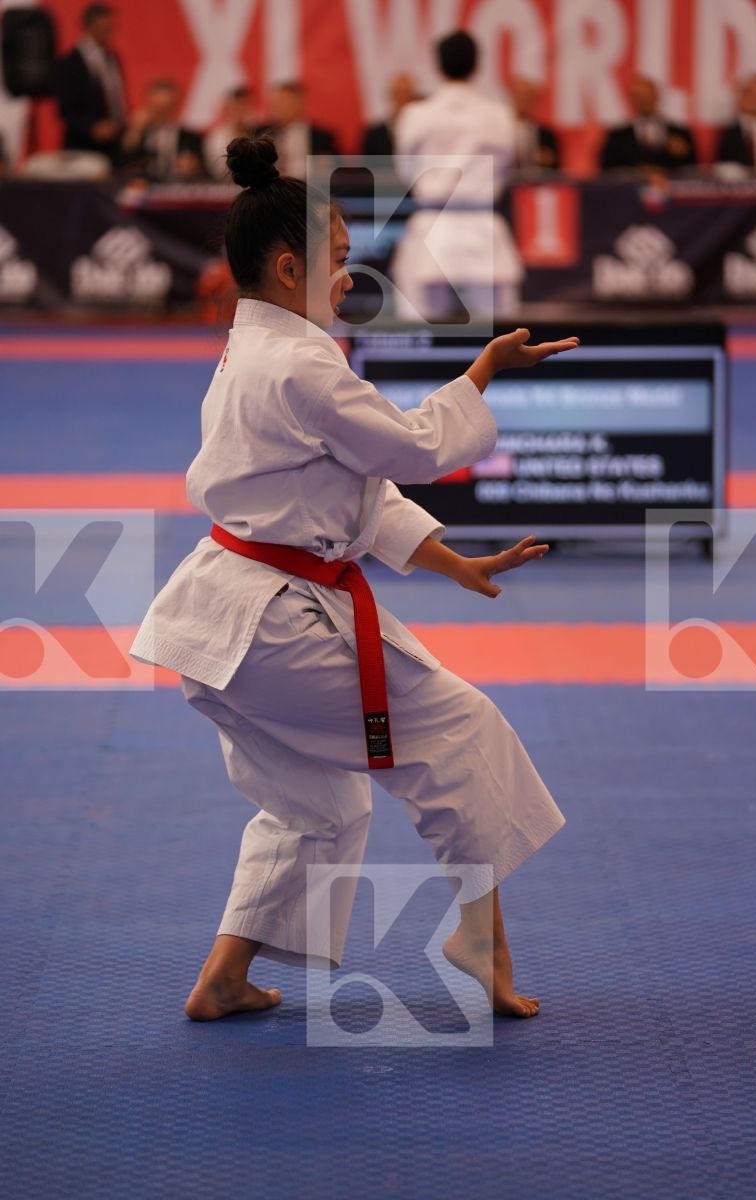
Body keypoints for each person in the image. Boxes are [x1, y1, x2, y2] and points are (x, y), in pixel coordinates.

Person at [129, 133, 577, 1022]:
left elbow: (335, 489)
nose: (346, 279)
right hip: (267, 622)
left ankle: (223, 977)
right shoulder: (299, 363)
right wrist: (481, 371)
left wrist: (449, 560)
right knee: (463, 731)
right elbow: (408, 449)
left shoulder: (251, 354)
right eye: (337, 262)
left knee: (319, 805)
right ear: (289, 266)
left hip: (223, 620)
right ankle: (481, 937)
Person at [392, 31, 522, 321]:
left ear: (437, 66)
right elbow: (508, 167)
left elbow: (405, 171)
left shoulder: (416, 114)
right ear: (477, 66)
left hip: (432, 224)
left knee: (417, 327)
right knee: (502, 329)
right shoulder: (499, 115)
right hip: (481, 224)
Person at [55, 3, 128, 167]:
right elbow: (65, 109)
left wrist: (121, 125)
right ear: (89, 26)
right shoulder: (69, 63)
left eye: (111, 27)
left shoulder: (112, 58)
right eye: (104, 27)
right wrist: (92, 127)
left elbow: (116, 99)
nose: (109, 32)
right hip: (82, 145)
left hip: (114, 144)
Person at [600, 74, 696, 173]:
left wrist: (683, 154)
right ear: (631, 99)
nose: (643, 100)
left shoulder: (679, 132)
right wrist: (638, 172)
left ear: (657, 96)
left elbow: (693, 168)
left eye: (647, 95)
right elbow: (607, 170)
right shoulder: (618, 136)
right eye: (638, 96)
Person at [123, 80, 206, 182]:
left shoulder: (192, 138)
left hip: (177, 190)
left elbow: (206, 172)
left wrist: (194, 167)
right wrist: (135, 131)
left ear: (176, 106)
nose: (161, 114)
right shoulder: (135, 135)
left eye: (166, 108)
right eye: (157, 108)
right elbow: (121, 166)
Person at [266, 82, 340, 179]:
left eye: (286, 101)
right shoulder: (263, 133)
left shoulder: (322, 137)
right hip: (272, 190)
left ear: (301, 102)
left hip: (309, 188)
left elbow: (335, 171)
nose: (280, 106)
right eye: (277, 101)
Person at [204, 86, 266, 181]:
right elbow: (218, 169)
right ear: (229, 109)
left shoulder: (262, 133)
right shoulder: (217, 137)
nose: (240, 111)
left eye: (244, 105)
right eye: (236, 107)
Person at [361, 72, 418, 159]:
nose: (403, 98)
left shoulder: (426, 129)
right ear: (391, 95)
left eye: (407, 93)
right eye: (398, 93)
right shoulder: (375, 135)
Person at [508, 77, 560, 171]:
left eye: (528, 97)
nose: (523, 101)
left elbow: (555, 165)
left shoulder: (546, 134)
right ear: (512, 97)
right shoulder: (498, 130)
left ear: (535, 100)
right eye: (520, 96)